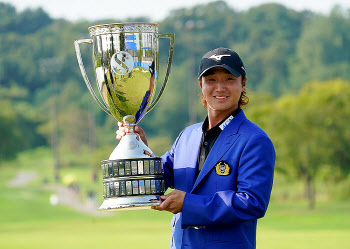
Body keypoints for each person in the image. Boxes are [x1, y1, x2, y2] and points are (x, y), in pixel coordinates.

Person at [116, 47, 275, 249]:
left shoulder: (254, 140)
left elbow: (252, 203)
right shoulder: (187, 136)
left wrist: (189, 204)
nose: (220, 87)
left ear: (243, 83)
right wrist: (138, 146)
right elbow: (157, 180)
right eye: (211, 80)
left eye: (228, 79)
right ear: (200, 84)